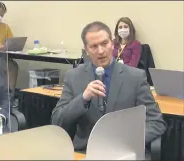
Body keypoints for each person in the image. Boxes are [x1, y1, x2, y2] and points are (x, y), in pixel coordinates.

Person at [51, 21, 166, 153]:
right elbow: (57, 122)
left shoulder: (136, 77)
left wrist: (127, 140)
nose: (101, 51)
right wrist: (83, 98)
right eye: (94, 46)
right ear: (86, 50)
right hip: (86, 151)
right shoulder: (73, 77)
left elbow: (156, 123)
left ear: (112, 44)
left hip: (124, 151)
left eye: (104, 43)